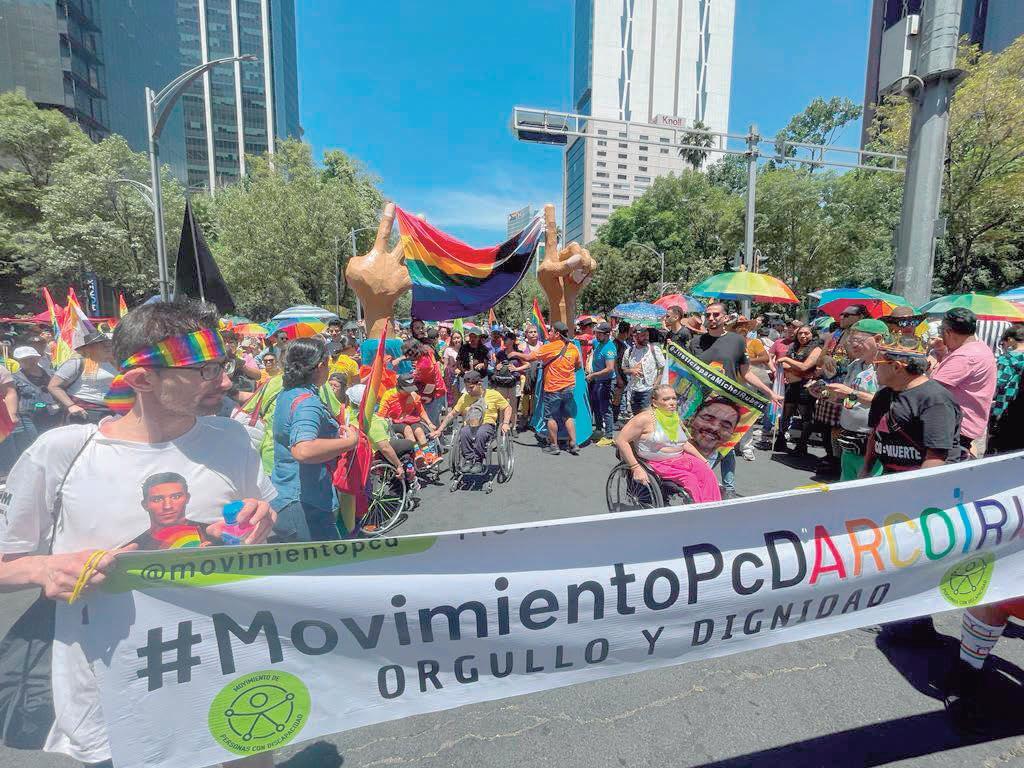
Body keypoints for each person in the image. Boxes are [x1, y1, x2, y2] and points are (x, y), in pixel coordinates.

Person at [0, 300, 277, 768]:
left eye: (223, 366)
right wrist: (46, 569)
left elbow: (253, 537)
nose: (225, 382)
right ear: (142, 379)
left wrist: (259, 523)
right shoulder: (63, 452)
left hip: (225, 676)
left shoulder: (233, 440)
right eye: (206, 370)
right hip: (113, 700)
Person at [688, 302, 782, 497]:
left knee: (727, 446)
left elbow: (746, 373)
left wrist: (770, 392)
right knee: (700, 444)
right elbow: (689, 372)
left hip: (727, 404)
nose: (711, 318)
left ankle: (728, 488)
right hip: (702, 404)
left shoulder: (737, 341)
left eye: (716, 315)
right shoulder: (695, 342)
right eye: (708, 315)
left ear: (725, 317)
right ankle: (698, 485)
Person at [271, 337, 359, 541]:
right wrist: (349, 442)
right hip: (304, 502)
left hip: (287, 494)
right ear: (320, 366)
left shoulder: (288, 393)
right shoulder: (307, 402)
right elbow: (303, 449)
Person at [613, 384, 720, 502]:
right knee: (690, 480)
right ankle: (699, 509)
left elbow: (683, 443)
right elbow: (621, 440)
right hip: (657, 464)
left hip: (681, 459)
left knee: (708, 474)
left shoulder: (673, 417)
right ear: (654, 402)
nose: (672, 403)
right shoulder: (644, 419)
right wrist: (635, 468)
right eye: (666, 399)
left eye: (674, 398)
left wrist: (703, 460)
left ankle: (712, 507)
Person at [823, 319, 888, 481]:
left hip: (872, 443)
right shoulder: (855, 365)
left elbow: (886, 402)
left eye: (858, 340)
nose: (852, 344)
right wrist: (828, 395)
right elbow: (849, 398)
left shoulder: (885, 368)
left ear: (878, 339)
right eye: (850, 339)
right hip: (849, 440)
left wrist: (851, 393)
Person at [929, 308, 996, 458]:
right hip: (963, 426)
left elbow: (929, 390)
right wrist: (942, 351)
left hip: (954, 428)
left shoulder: (965, 356)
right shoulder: (979, 347)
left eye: (941, 332)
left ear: (948, 332)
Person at [512, 321, 582, 455]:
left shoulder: (548, 347)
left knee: (550, 417)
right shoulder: (573, 348)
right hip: (569, 388)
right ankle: (573, 444)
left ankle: (554, 446)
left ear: (557, 334)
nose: (548, 333)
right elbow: (578, 366)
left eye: (551, 331)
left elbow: (529, 357)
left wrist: (514, 353)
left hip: (553, 389)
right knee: (568, 416)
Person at [430, 370, 512, 473]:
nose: (468, 390)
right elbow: (452, 414)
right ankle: (469, 460)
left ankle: (478, 461)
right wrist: (440, 430)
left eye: (471, 387)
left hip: (487, 425)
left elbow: (507, 407)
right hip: (470, 424)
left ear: (479, 384)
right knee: (464, 432)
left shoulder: (493, 394)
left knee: (481, 433)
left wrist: (505, 423)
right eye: (466, 387)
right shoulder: (465, 397)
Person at [48, 329, 117, 424]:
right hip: (85, 411)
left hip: (111, 411)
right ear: (89, 348)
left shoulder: (114, 363)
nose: (108, 347)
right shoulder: (77, 363)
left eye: (109, 344)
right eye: (103, 345)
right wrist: (71, 406)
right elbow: (53, 386)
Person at [774, 324, 823, 455]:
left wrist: (788, 361)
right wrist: (797, 370)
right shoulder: (793, 347)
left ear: (812, 335)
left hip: (805, 387)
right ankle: (781, 439)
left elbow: (804, 367)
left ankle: (802, 444)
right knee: (785, 414)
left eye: (806, 333)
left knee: (806, 417)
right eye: (800, 333)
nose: (803, 336)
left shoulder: (816, 349)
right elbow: (784, 365)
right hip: (792, 386)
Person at [380, 373, 439, 462]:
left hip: (411, 419)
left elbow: (421, 411)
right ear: (399, 387)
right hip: (396, 422)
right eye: (407, 390)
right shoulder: (389, 395)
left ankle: (428, 454)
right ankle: (416, 452)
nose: (409, 392)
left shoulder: (413, 395)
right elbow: (381, 415)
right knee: (407, 429)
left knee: (419, 430)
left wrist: (430, 423)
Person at [988, 325, 1024, 454]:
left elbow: (998, 383)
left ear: (1011, 339)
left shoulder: (1006, 359)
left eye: (1004, 341)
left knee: (998, 450)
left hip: (1004, 408)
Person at [586, 322, 618, 445]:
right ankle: (599, 430)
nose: (596, 335)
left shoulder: (609, 348)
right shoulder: (597, 342)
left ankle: (609, 436)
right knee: (596, 406)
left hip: (606, 382)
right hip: (597, 381)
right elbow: (586, 342)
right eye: (596, 333)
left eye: (599, 333)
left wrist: (593, 375)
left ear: (607, 334)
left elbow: (609, 368)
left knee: (606, 409)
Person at [492, 331, 529, 429]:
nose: (503, 341)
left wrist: (516, 369)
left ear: (512, 341)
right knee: (502, 405)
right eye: (503, 339)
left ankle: (513, 427)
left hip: (514, 382)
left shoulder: (518, 353)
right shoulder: (500, 353)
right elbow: (495, 367)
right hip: (502, 382)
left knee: (513, 405)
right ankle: (501, 425)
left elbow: (527, 364)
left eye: (506, 339)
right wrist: (497, 367)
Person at [625, 326, 665, 416]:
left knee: (647, 416)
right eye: (643, 335)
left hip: (648, 390)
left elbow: (662, 368)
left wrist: (656, 384)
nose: (646, 338)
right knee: (636, 416)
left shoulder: (654, 349)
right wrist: (631, 370)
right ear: (635, 337)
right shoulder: (629, 351)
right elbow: (624, 369)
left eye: (647, 335)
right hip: (633, 391)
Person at [409, 339, 446, 425]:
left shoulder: (424, 364)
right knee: (434, 421)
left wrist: (428, 397)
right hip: (437, 390)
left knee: (430, 423)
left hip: (434, 393)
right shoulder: (427, 353)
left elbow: (430, 383)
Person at [442, 330, 462, 406]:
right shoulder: (448, 350)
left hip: (463, 376)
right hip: (452, 377)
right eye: (454, 338)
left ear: (461, 338)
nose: (456, 340)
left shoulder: (465, 348)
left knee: (463, 396)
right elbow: (445, 365)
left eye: (458, 338)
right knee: (455, 397)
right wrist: (446, 378)